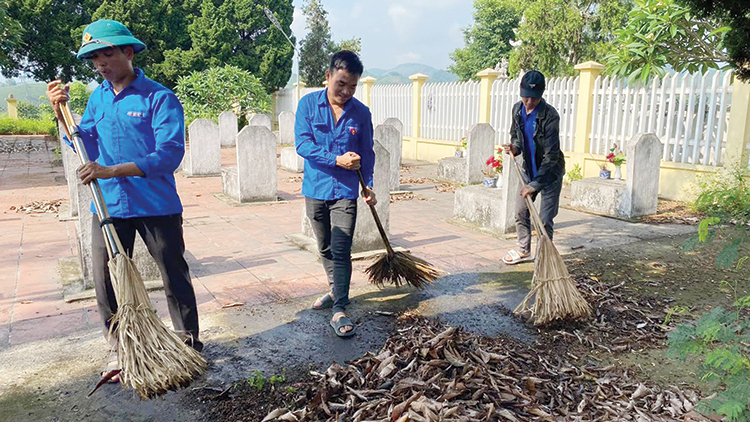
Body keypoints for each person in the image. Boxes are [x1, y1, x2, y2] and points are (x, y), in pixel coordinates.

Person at [46, 20, 202, 379]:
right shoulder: (98, 97)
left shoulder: (159, 97)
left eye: (107, 54)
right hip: (108, 205)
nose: (101, 64)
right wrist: (60, 113)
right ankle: (120, 347)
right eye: (95, 58)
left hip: (156, 204)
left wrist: (112, 170)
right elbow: (81, 139)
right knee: (105, 278)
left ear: (128, 53)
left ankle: (188, 344)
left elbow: (169, 155)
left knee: (174, 275)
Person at [295, 50, 377, 338]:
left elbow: (367, 153)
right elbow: (303, 145)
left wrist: (368, 185)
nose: (346, 92)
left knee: (341, 249)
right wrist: (336, 159)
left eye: (353, 86)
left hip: (345, 191)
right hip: (315, 188)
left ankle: (340, 307)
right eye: (341, 84)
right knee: (325, 247)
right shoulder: (307, 105)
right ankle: (334, 290)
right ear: (328, 76)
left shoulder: (361, 113)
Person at [502, 70, 565, 265]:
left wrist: (536, 184)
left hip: (549, 174)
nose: (529, 102)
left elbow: (551, 154)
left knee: (545, 219)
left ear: (541, 95)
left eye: (534, 98)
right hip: (528, 170)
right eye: (526, 97)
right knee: (520, 212)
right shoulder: (517, 110)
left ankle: (544, 257)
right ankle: (523, 250)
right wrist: (514, 147)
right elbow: (517, 137)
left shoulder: (550, 116)